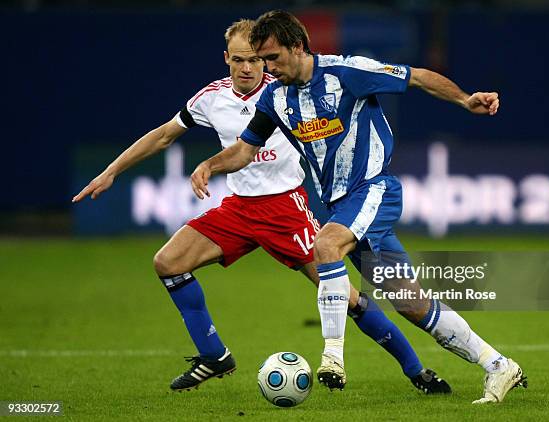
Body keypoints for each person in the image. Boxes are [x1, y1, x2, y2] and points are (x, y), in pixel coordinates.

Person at [72, 19, 451, 395]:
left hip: (286, 211)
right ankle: (214, 355)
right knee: (167, 263)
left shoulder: (284, 91)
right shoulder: (211, 98)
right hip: (238, 210)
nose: (248, 68)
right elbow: (165, 134)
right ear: (226, 59)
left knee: (346, 297)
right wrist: (112, 171)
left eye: (255, 59)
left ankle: (416, 370)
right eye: (238, 60)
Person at [189, 10, 527, 404]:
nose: (268, 68)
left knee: (325, 245)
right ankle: (498, 364)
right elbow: (246, 150)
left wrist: (465, 99)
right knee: (410, 302)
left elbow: (415, 76)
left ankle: (332, 355)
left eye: (273, 58)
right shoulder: (275, 97)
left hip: (374, 188)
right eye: (263, 61)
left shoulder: (348, 73)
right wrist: (210, 165)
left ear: (298, 46)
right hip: (340, 205)